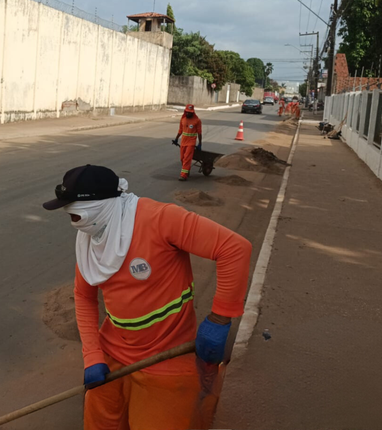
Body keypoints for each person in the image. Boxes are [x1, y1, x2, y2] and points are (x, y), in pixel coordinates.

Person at [43, 165, 252, 430]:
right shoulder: (90, 239)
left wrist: (220, 319)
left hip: (167, 357)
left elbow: (233, 248)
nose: (72, 222)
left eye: (74, 214)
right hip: (111, 354)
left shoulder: (160, 219)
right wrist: (93, 356)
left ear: (96, 207)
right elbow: (84, 297)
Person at [172, 104, 202, 181]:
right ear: (185, 111)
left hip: (191, 143)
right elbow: (180, 130)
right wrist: (176, 139)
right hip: (183, 142)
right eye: (187, 112)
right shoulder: (183, 119)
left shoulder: (197, 121)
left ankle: (183, 175)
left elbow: (199, 133)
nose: (188, 113)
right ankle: (186, 170)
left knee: (186, 159)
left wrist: (200, 143)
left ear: (193, 112)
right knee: (182, 158)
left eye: (190, 112)